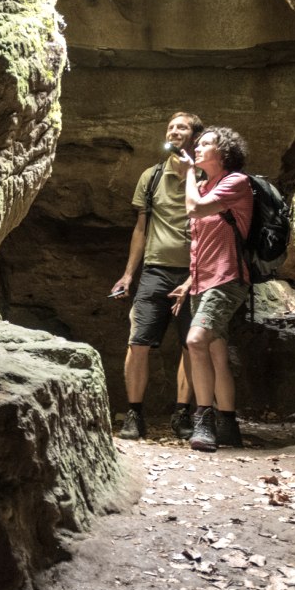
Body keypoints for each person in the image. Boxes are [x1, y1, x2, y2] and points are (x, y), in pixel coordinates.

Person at [109, 112, 198, 440]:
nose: (175, 131)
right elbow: (140, 228)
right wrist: (128, 275)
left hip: (194, 274)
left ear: (194, 136)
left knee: (192, 345)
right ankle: (134, 415)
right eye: (171, 127)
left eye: (182, 127)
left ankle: (182, 413)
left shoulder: (205, 175)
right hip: (155, 271)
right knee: (138, 342)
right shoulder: (152, 176)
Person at [174, 126, 253, 452]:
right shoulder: (206, 187)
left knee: (195, 341)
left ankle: (203, 421)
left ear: (224, 154)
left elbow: (195, 209)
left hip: (226, 280)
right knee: (217, 354)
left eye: (206, 143)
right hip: (203, 282)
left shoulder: (236, 183)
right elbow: (201, 244)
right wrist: (189, 283)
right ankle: (229, 425)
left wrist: (189, 173)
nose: (198, 147)